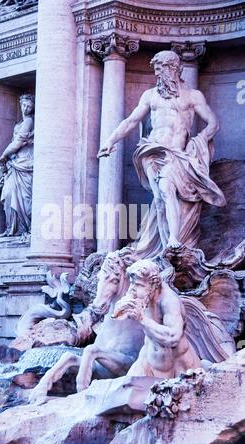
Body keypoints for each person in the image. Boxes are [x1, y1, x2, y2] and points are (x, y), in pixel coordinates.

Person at [98, 50, 226, 257]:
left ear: (175, 68)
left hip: (176, 153)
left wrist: (198, 141)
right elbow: (131, 121)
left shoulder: (193, 96)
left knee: (166, 188)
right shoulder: (150, 96)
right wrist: (111, 140)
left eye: (163, 69)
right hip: (150, 150)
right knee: (158, 198)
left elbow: (213, 123)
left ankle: (175, 239)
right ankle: (165, 245)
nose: (159, 75)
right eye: (156, 71)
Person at [112, 259, 201, 378]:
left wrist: (142, 319)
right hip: (146, 360)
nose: (132, 288)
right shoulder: (144, 294)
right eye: (132, 283)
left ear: (153, 285)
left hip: (178, 367)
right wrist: (122, 309)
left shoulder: (169, 301)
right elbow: (123, 310)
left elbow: (173, 337)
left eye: (138, 285)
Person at [0, 94, 35, 238]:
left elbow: (18, 143)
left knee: (24, 198)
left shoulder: (29, 122)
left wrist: (3, 156)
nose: (26, 109)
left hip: (25, 163)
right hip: (15, 164)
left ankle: (23, 228)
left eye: (29, 106)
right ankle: (12, 229)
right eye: (23, 105)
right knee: (9, 193)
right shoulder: (19, 123)